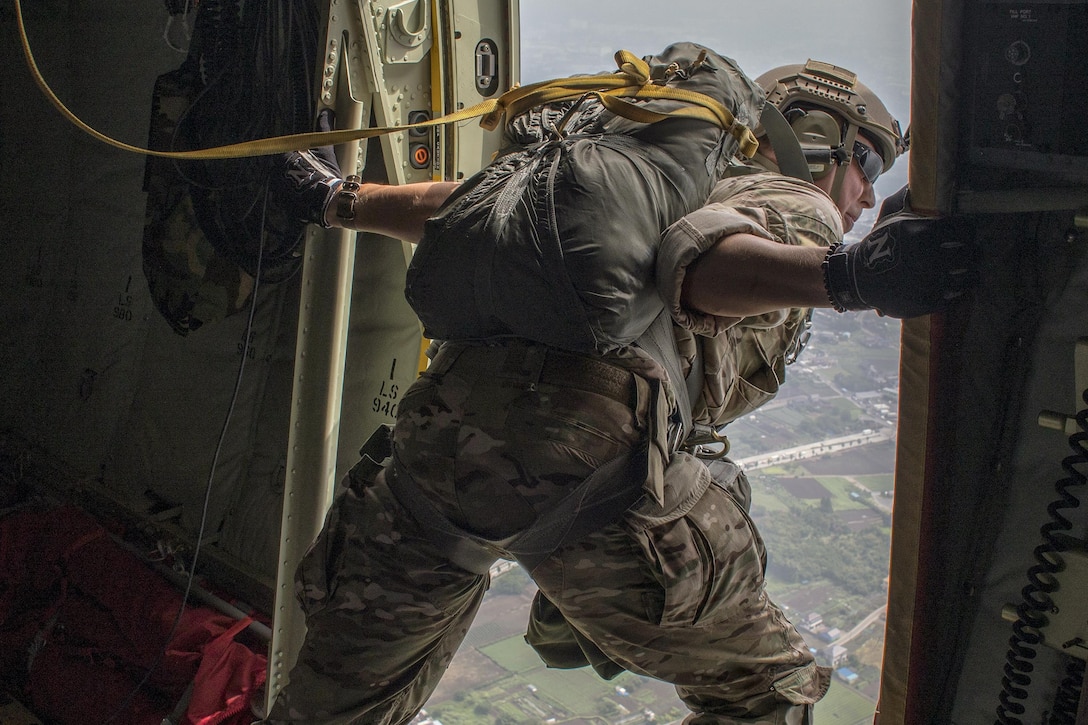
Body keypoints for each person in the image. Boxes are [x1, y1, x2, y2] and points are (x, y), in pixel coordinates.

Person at [263, 57, 975, 724]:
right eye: (871, 163)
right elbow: (697, 269)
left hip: (437, 446)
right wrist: (849, 277)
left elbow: (462, 214)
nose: (868, 195)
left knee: (328, 709)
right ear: (825, 140)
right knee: (766, 691)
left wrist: (337, 199)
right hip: (588, 473)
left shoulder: (626, 190)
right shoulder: (796, 203)